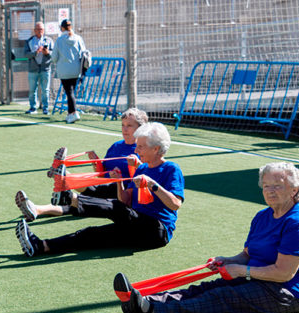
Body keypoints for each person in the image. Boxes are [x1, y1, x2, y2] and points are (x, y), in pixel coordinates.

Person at [115, 162, 299, 313]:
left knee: (222, 297)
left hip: (286, 292)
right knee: (206, 288)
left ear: (294, 190)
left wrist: (241, 271)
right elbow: (248, 254)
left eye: (277, 186)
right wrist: (228, 260)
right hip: (257, 277)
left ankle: (151, 312)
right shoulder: (262, 216)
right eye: (266, 186)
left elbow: (284, 273)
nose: (270, 191)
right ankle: (145, 301)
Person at [16, 122, 184, 257]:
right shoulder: (142, 168)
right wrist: (119, 182)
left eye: (141, 146)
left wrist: (153, 185)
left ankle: (71, 198)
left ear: (156, 149)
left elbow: (175, 204)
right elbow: (125, 201)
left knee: (115, 207)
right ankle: (41, 246)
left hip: (156, 230)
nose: (136, 150)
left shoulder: (171, 169)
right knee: (91, 234)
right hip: (135, 224)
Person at [16, 108, 149, 221]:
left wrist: (136, 165)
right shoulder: (116, 146)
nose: (125, 129)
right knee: (74, 204)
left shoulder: (143, 150)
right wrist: (96, 162)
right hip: (104, 188)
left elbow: (146, 177)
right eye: (123, 125)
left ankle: (64, 175)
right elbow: (101, 174)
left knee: (90, 194)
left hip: (123, 194)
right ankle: (36, 209)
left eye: (129, 125)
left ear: (140, 129)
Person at [51, 18, 86, 124]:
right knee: (71, 92)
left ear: (62, 28)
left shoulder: (59, 40)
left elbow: (54, 58)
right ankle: (70, 114)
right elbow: (83, 53)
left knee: (69, 92)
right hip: (76, 69)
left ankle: (74, 112)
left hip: (64, 70)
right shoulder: (78, 38)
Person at [24, 22, 53, 115]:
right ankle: (33, 108)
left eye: (41, 29)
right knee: (32, 90)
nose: (40, 31)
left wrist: (47, 53)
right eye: (38, 29)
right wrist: (35, 52)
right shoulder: (29, 41)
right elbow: (26, 54)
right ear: (34, 30)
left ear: (44, 30)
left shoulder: (49, 40)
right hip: (33, 69)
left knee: (45, 90)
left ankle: (45, 108)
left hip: (45, 69)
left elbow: (54, 54)